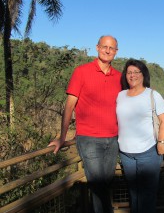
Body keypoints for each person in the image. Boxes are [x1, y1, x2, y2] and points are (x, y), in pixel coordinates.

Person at [48, 35, 121, 213]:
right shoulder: (81, 72)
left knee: (105, 183)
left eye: (112, 48)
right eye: (104, 46)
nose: (108, 50)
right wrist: (62, 138)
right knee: (97, 182)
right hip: (89, 139)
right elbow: (69, 106)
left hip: (113, 139)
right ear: (97, 47)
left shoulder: (119, 77)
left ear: (116, 52)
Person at [116, 59, 164, 213]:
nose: (132, 75)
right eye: (129, 72)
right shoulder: (120, 96)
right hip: (126, 153)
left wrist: (161, 142)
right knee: (134, 193)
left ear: (143, 74)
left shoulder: (153, 95)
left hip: (149, 152)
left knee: (147, 195)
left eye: (136, 72)